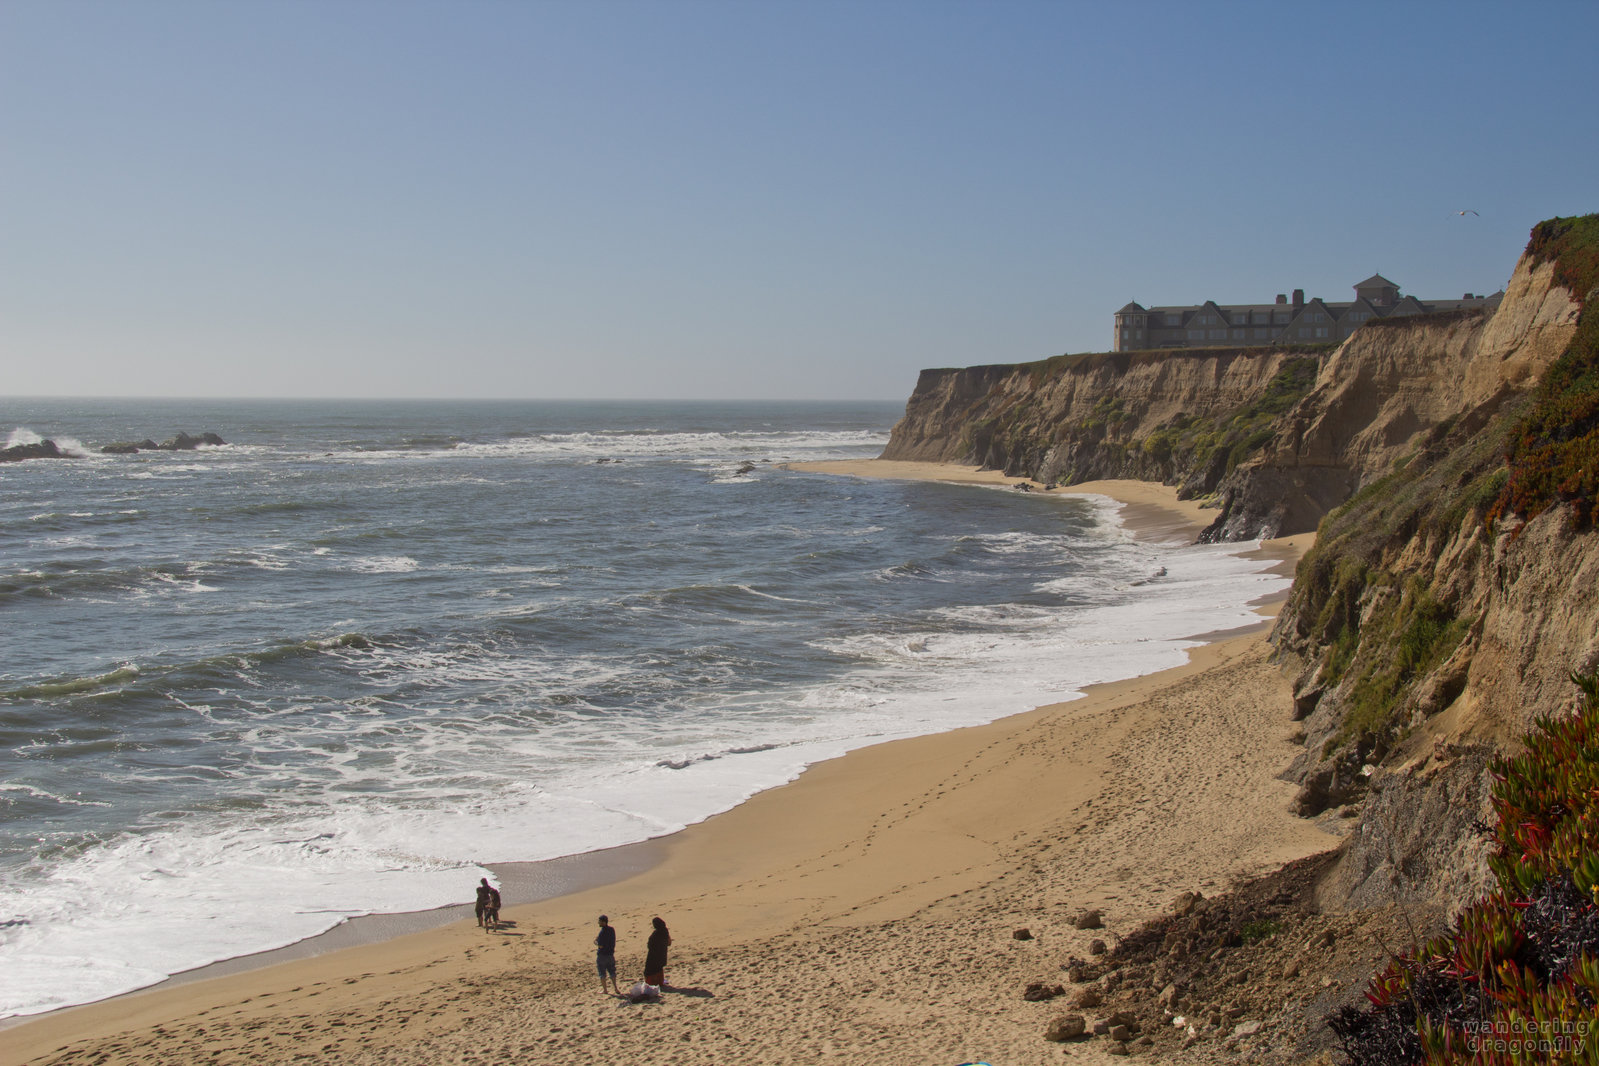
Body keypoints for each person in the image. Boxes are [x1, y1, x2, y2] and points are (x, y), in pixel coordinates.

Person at [643, 915, 671, 988]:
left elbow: (650, 945)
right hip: (662, 954)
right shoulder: (665, 931)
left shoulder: (656, 933)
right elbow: (669, 942)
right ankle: (659, 982)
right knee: (659, 968)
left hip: (654, 955)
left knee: (650, 970)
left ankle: (652, 983)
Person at [595, 914, 620, 995]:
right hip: (610, 954)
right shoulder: (611, 930)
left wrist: (596, 943)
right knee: (612, 972)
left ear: (603, 922)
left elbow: (601, 945)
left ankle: (605, 990)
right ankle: (616, 988)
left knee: (602, 973)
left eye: (600, 921)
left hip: (602, 955)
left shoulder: (602, 932)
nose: (598, 923)